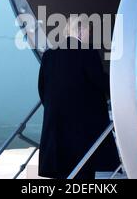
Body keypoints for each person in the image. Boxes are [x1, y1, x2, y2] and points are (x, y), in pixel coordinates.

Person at [38, 16, 120, 179]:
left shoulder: (49, 55)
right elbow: (99, 81)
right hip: (82, 128)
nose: (89, 35)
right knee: (83, 169)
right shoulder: (86, 52)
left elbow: (42, 89)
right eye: (89, 31)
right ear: (81, 31)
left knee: (63, 171)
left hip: (56, 126)